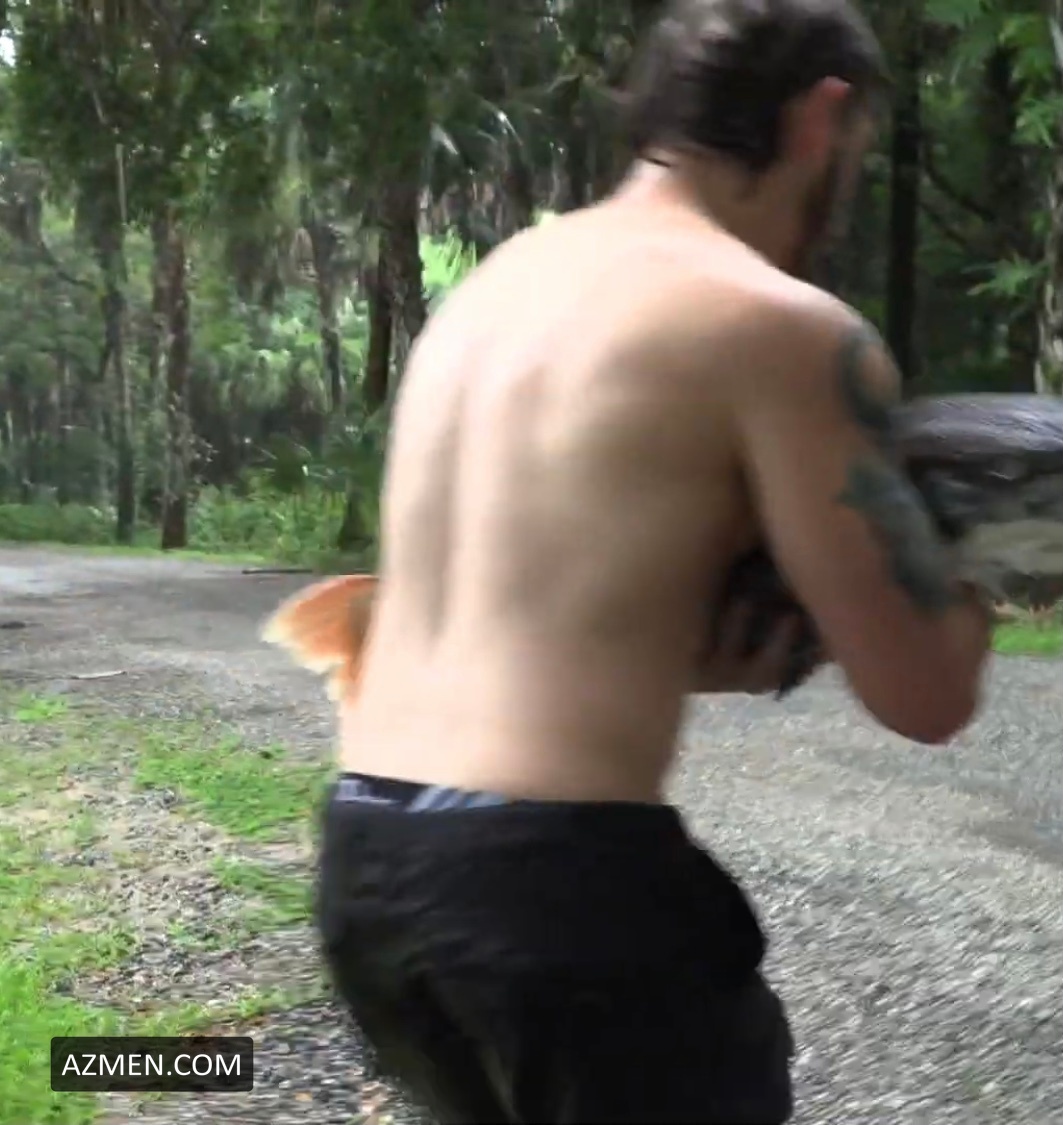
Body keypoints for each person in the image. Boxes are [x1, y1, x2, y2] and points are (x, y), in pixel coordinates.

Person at [316, 1, 993, 1121]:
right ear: (820, 119)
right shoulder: (781, 326)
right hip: (557, 894)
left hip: (370, 867)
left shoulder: (501, 286)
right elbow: (923, 693)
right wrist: (986, 561)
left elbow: (535, 621)